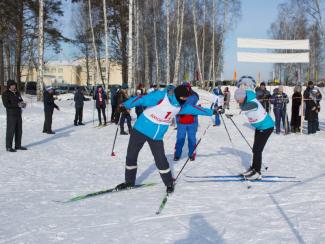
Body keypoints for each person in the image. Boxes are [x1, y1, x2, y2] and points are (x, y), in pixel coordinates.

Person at [115, 85, 213, 193]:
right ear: (179, 95)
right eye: (185, 97)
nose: (187, 99)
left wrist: (214, 111)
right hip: (141, 128)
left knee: (161, 160)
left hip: (156, 135)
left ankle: (169, 183)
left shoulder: (181, 105)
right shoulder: (161, 96)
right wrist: (125, 105)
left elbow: (196, 109)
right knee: (131, 156)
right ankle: (129, 181)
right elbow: (142, 99)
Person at [233, 88, 274, 180]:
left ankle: (257, 172)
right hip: (260, 127)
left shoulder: (252, 103)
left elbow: (242, 108)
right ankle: (254, 169)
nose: (237, 101)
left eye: (238, 99)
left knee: (258, 150)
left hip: (266, 127)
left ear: (243, 97)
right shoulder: (245, 100)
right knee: (255, 149)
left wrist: (228, 111)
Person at [174, 83, 200, 161]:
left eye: (187, 88)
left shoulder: (193, 97)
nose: (186, 90)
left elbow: (189, 103)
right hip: (181, 122)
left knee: (191, 138)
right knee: (180, 138)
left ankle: (191, 154)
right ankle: (177, 154)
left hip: (192, 121)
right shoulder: (180, 96)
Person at [2, 80, 27, 152]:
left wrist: (23, 104)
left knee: (19, 130)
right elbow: (6, 105)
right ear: (9, 86)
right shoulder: (5, 94)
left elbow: (20, 100)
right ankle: (8, 147)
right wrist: (17, 105)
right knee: (10, 131)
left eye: (14, 85)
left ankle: (18, 145)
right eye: (12, 85)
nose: (13, 86)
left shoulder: (17, 92)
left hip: (19, 114)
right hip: (11, 115)